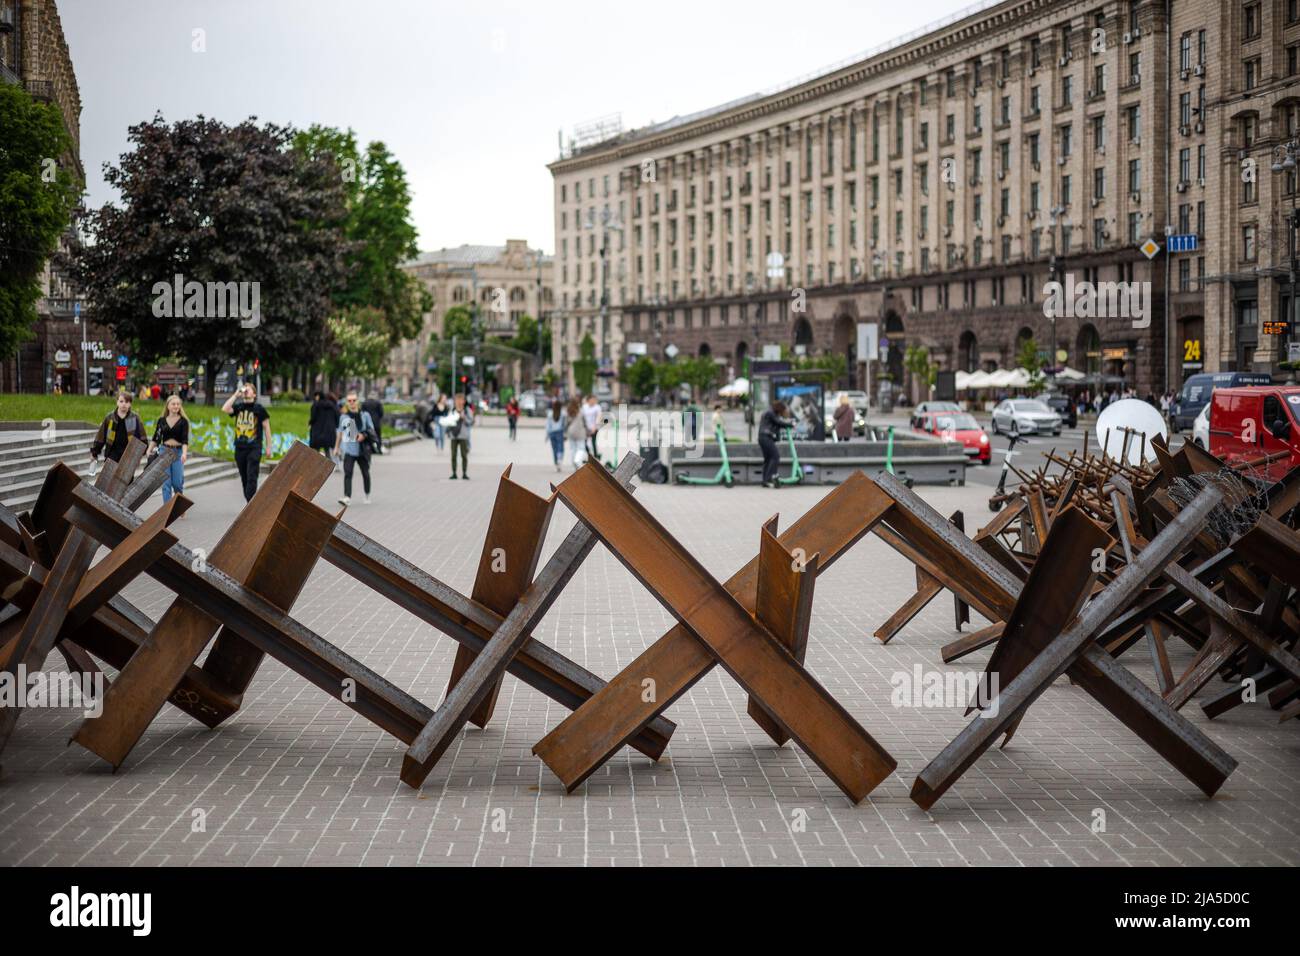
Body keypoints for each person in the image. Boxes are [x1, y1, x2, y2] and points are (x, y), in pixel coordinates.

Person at [222, 382, 271, 503]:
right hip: (239, 448)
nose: (246, 392)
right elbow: (225, 409)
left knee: (252, 475)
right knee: (244, 477)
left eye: (248, 390)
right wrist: (235, 395)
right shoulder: (239, 407)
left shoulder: (259, 409)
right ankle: (251, 501)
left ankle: (251, 503)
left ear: (254, 394)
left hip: (254, 447)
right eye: (245, 390)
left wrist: (269, 446)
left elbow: (267, 428)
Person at [334, 392, 376, 505]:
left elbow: (371, 429)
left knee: (365, 473)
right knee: (348, 473)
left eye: (354, 400)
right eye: (349, 400)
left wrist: (364, 435)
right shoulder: (344, 417)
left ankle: (367, 495)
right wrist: (336, 447)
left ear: (358, 401)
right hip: (349, 449)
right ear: (346, 403)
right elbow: (340, 433)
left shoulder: (365, 415)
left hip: (362, 450)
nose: (352, 402)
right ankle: (347, 497)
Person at [148, 394, 189, 503]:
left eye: (178, 404)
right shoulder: (161, 420)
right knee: (166, 483)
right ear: (168, 406)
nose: (176, 406)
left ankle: (179, 505)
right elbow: (156, 437)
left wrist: (184, 454)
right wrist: (149, 449)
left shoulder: (183, 421)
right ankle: (167, 510)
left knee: (177, 483)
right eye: (173, 404)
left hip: (178, 452)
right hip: (164, 452)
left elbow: (185, 440)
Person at [90, 390, 147, 466]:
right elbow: (101, 436)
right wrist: (94, 452)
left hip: (129, 455)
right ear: (117, 402)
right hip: (112, 454)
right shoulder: (109, 418)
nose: (124, 404)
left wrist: (139, 455)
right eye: (121, 401)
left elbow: (142, 436)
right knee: (111, 476)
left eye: (127, 402)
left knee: (127, 478)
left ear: (130, 404)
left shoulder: (135, 418)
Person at [758, 400, 795, 488]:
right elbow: (778, 422)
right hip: (766, 437)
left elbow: (778, 423)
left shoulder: (769, 412)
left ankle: (765, 481)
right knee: (775, 457)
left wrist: (787, 424)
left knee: (768, 459)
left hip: (762, 437)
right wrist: (791, 424)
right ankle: (770, 478)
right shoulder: (770, 413)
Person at [443, 393, 474, 479]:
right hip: (454, 436)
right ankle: (454, 473)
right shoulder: (452, 410)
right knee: (453, 455)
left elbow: (471, 422)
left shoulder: (467, 410)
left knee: (464, 455)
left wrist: (464, 418)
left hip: (463, 436)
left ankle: (464, 473)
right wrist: (448, 432)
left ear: (464, 401)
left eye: (461, 400)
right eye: (457, 400)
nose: (459, 402)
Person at [308, 390, 340, 457]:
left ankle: (315, 466)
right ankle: (330, 467)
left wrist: (310, 423)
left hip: (317, 432)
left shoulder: (315, 405)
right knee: (327, 451)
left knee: (315, 452)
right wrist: (336, 425)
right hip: (329, 432)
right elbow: (337, 417)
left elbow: (313, 417)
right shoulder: (332, 406)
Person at [544, 399, 566, 472]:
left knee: (554, 449)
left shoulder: (550, 413)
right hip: (560, 432)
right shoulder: (563, 413)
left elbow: (547, 425)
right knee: (560, 447)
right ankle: (560, 460)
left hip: (551, 433)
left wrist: (547, 435)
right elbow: (564, 424)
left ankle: (556, 463)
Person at [564, 397, 587, 469]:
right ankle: (577, 461)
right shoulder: (581, 411)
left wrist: (565, 433)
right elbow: (585, 422)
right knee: (581, 448)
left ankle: (574, 464)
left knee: (573, 449)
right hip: (579, 431)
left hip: (570, 431)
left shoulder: (568, 411)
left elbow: (566, 423)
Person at [581, 394, 603, 460]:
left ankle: (596, 456)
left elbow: (599, 417)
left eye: (594, 400)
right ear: (588, 400)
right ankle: (589, 455)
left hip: (594, 427)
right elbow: (582, 417)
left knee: (593, 442)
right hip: (586, 428)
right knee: (585, 443)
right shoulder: (584, 407)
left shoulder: (597, 407)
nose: (593, 401)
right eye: (592, 400)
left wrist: (595, 427)